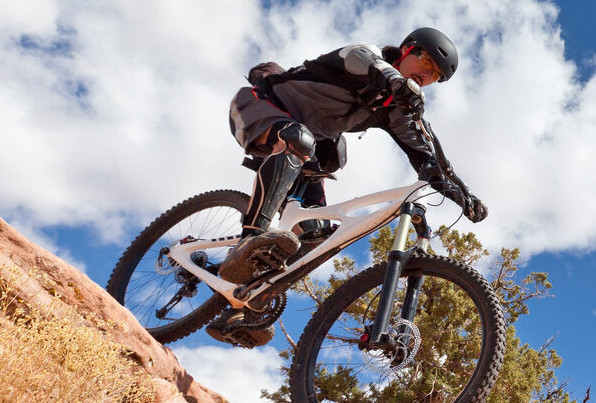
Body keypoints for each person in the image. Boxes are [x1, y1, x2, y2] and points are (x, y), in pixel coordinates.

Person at [207, 27, 486, 347]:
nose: (427, 75)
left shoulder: (395, 109)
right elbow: (363, 60)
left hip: (302, 150)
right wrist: (395, 80)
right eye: (426, 62)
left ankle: (247, 305)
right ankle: (251, 238)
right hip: (258, 106)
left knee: (316, 236)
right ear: (407, 49)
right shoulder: (369, 57)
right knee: (300, 141)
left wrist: (462, 196)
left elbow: (428, 161)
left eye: (435, 75)